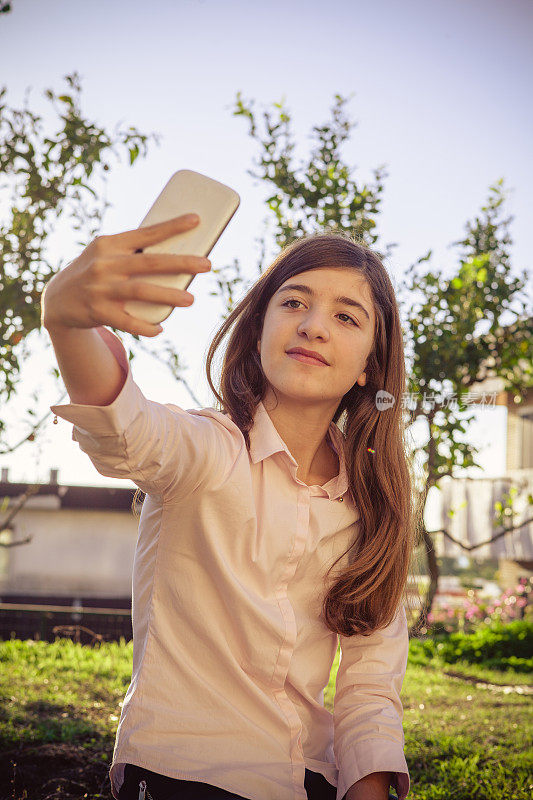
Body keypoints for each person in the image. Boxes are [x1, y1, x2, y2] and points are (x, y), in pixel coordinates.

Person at [41, 213, 419, 800]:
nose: (315, 326)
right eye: (293, 303)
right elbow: (127, 432)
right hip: (183, 774)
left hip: (311, 780)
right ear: (260, 327)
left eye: (347, 316)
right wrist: (65, 321)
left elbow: (370, 688)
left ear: (372, 361)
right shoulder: (208, 448)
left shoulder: (372, 512)